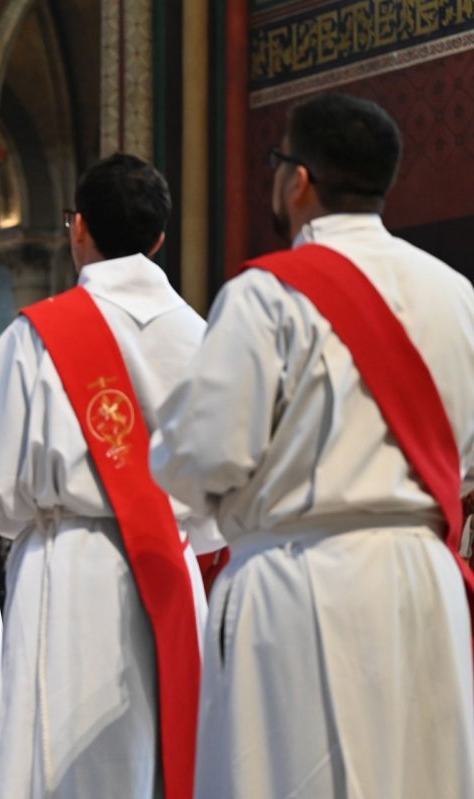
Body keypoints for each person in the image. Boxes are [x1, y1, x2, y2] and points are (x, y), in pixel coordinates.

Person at [151, 92, 474, 797]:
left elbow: (203, 453)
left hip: (302, 584)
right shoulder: (456, 296)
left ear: (297, 180)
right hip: (424, 580)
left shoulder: (267, 296)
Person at [0, 153, 216, 798]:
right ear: (158, 239)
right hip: (170, 564)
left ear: (78, 228)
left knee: (59, 758)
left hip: (67, 567)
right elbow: (229, 473)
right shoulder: (204, 337)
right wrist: (189, 531)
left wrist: (33, 524)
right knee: (167, 752)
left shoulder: (38, 336)